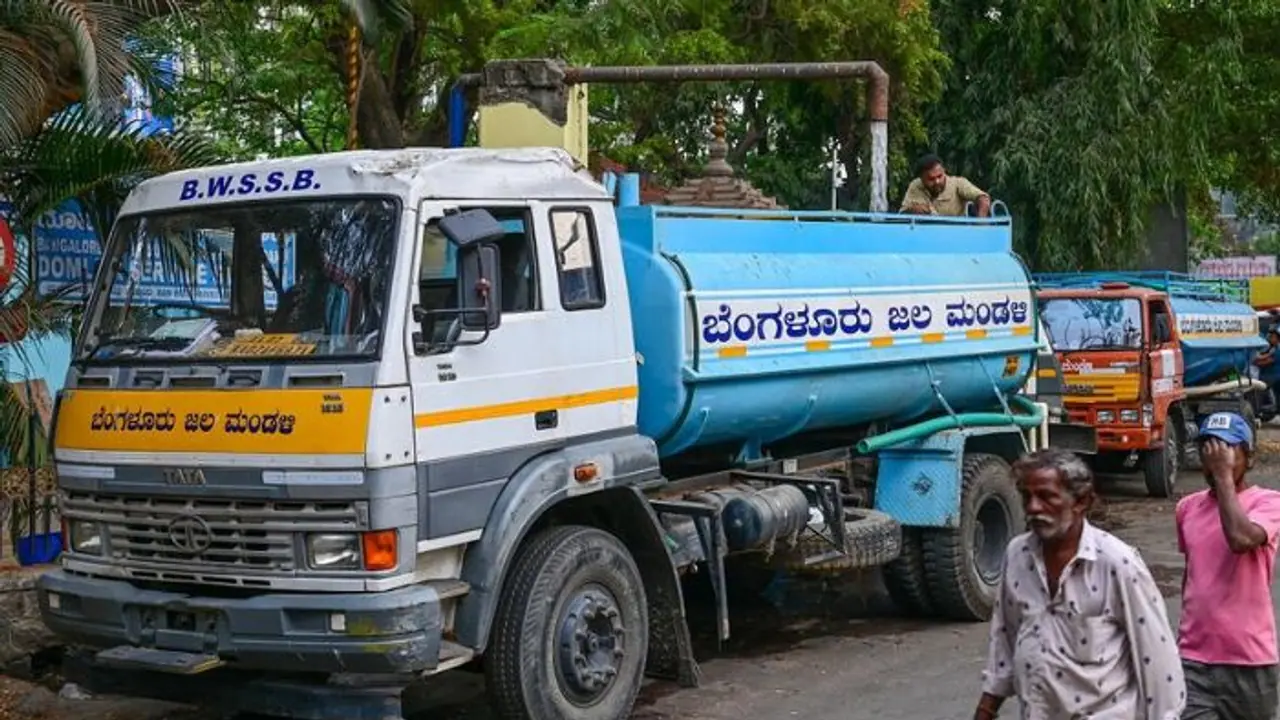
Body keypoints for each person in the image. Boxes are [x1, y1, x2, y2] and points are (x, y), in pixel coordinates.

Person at [973, 449, 1185, 720]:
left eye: (1047, 497)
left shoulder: (1117, 564)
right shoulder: (1017, 555)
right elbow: (1005, 639)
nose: (1033, 507)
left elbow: (1158, 661)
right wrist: (986, 709)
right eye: (1028, 497)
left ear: (1081, 501)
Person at [1176, 411, 1280, 720]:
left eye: (1227, 447)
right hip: (1193, 659)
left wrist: (1223, 479)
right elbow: (1193, 573)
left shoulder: (1269, 502)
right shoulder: (1187, 508)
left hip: (1250, 661)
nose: (1216, 455)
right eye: (1209, 446)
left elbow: (1241, 539)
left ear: (1249, 458)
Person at [900, 154, 992, 217]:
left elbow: (983, 199)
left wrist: (981, 226)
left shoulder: (958, 183)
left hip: (956, 234)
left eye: (940, 176)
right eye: (931, 179)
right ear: (921, 178)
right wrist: (912, 210)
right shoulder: (915, 186)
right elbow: (901, 215)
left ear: (944, 171)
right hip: (926, 235)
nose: (937, 181)